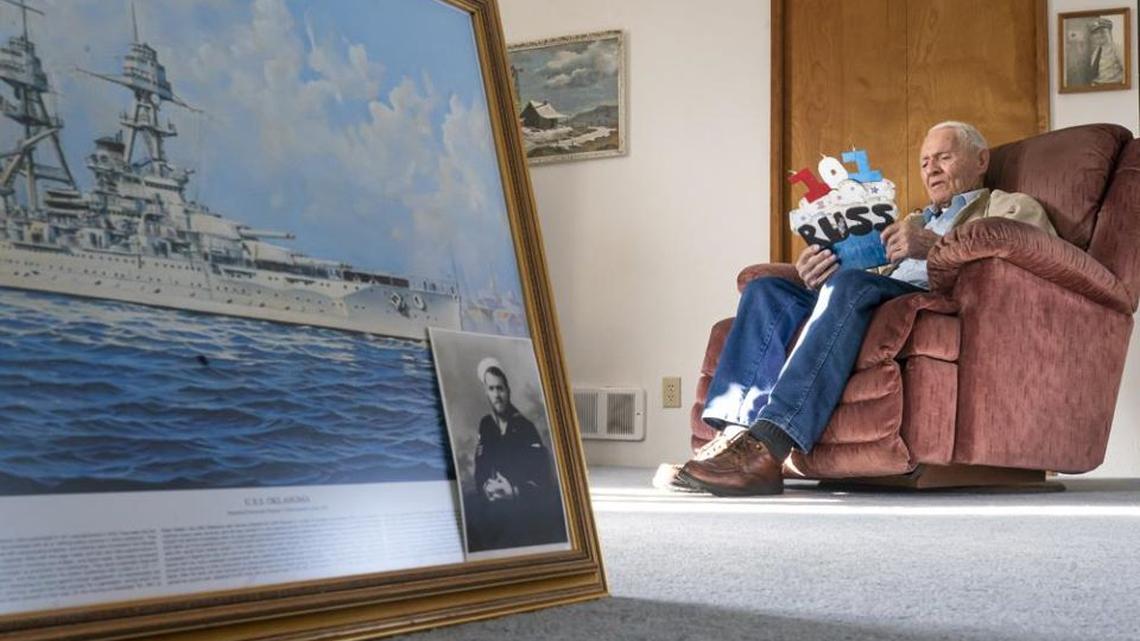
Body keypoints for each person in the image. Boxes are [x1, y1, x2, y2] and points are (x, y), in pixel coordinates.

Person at [676, 121, 1055, 496]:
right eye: (925, 163)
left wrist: (935, 246)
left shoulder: (1010, 206)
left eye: (944, 157)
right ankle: (729, 443)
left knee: (851, 285)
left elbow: (1027, 256)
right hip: (865, 292)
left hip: (921, 298)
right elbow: (862, 272)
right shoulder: (912, 220)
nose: (932, 169)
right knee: (766, 291)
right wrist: (816, 273)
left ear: (980, 160)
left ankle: (769, 445)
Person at [465, 357, 563, 551]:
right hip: (493, 499)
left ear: (508, 391)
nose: (497, 395)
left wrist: (513, 491)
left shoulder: (525, 427)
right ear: (486, 392)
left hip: (521, 503)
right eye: (491, 389)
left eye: (500, 388)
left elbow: (542, 480)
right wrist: (486, 487)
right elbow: (481, 466)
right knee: (468, 512)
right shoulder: (486, 425)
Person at [1088, 18, 1125, 85]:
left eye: (1102, 32)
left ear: (1109, 33)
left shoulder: (1117, 48)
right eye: (1096, 33)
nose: (1099, 35)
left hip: (1113, 87)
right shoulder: (1096, 52)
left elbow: (1128, 72)